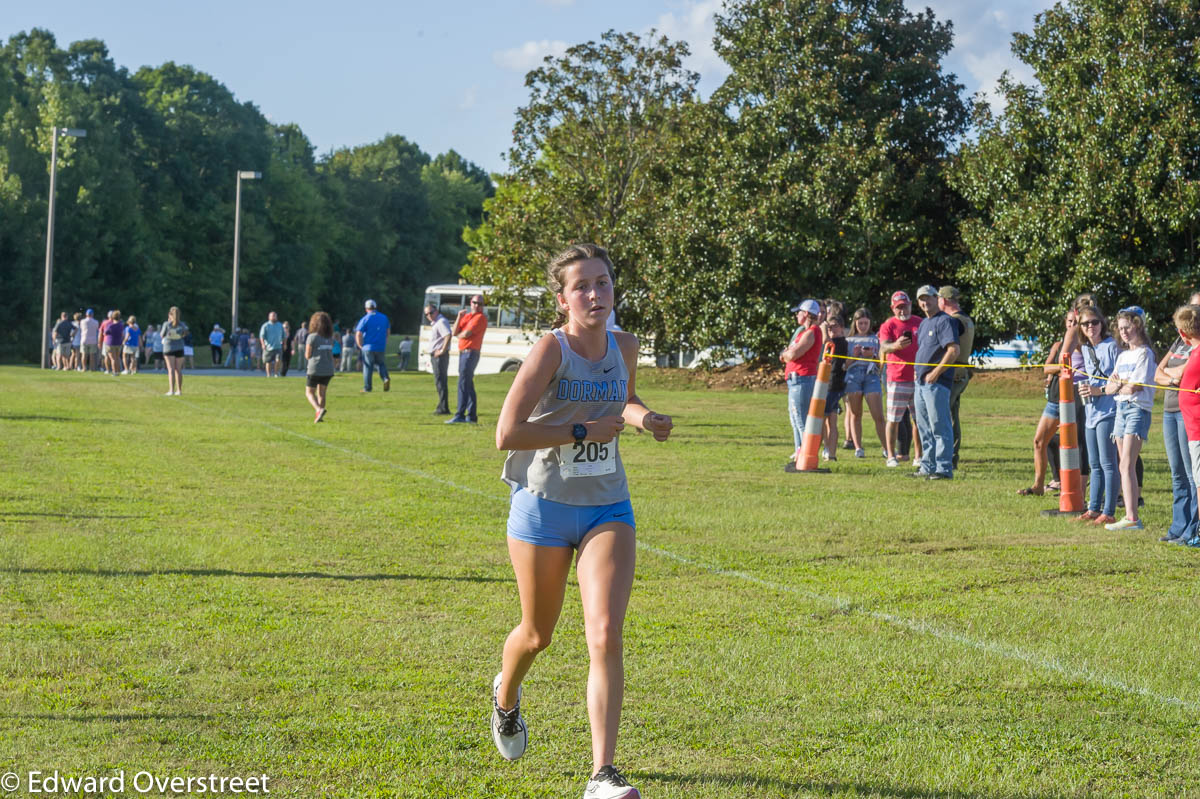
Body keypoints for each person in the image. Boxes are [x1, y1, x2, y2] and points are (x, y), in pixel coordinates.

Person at [492, 243, 673, 799]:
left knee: (605, 634)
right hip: (543, 508)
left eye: (604, 283)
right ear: (562, 297)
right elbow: (506, 434)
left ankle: (602, 773)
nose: (595, 295)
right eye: (582, 286)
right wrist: (579, 432)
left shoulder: (625, 344)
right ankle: (505, 697)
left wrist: (645, 418)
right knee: (537, 635)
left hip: (607, 506)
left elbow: (624, 399)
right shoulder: (550, 351)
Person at [1103, 307, 1155, 530]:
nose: (1123, 332)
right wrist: (1119, 385)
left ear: (1139, 326)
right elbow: (1108, 388)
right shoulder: (1123, 355)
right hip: (1121, 410)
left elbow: (1134, 387)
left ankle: (1132, 518)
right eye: (1120, 328)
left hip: (1137, 410)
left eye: (1128, 327)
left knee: (1126, 464)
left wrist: (1120, 385)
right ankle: (1130, 515)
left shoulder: (1145, 354)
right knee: (1124, 465)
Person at [1154, 293, 1200, 543]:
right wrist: (1172, 377)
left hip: (1189, 415)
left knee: (1194, 474)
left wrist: (1172, 375)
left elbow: (1184, 372)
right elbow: (1157, 373)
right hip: (1170, 410)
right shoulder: (1179, 341)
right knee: (1177, 473)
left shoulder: (1196, 345)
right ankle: (1178, 526)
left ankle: (1193, 529)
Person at [1019, 310, 1076, 496]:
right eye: (1069, 321)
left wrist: (1057, 369)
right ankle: (1038, 485)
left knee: (1074, 446)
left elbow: (1057, 368)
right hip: (1054, 399)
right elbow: (1046, 367)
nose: (1072, 325)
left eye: (1076, 321)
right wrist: (1061, 368)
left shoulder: (1083, 345)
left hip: (1073, 401)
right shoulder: (1058, 345)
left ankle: (1071, 487)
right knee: (1039, 441)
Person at [1074, 305, 1119, 525]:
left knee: (1108, 463)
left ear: (1102, 323)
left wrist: (1097, 390)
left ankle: (1109, 511)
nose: (1090, 327)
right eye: (1085, 324)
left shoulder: (1112, 346)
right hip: (1091, 410)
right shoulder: (1084, 349)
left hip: (1109, 409)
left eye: (1094, 322)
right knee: (1094, 464)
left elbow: (1119, 380)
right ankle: (1093, 508)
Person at [911, 285, 960, 480]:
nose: (925, 302)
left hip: (936, 383)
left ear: (936, 298)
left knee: (940, 426)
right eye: (921, 299)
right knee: (923, 426)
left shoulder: (945, 321)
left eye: (929, 298)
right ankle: (927, 466)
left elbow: (953, 350)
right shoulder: (924, 324)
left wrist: (936, 372)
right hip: (920, 383)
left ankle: (943, 468)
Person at [879, 291, 923, 468]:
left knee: (918, 419)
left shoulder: (920, 322)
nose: (902, 310)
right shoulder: (888, 325)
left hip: (918, 377)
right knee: (893, 419)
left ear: (910, 304)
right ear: (893, 308)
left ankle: (918, 456)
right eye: (898, 308)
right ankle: (891, 456)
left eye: (904, 306)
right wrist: (895, 346)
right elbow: (883, 345)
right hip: (896, 378)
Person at [1171, 303, 1200, 547]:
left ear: (1183, 333)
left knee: (1199, 482)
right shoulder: (1195, 353)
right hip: (1192, 428)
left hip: (1198, 429)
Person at [780, 299, 823, 462]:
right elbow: (789, 352)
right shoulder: (802, 332)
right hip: (795, 379)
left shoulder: (812, 332)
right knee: (794, 418)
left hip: (802, 379)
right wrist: (787, 353)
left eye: (798, 312)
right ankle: (800, 453)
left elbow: (792, 354)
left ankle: (807, 456)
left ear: (806, 314)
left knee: (801, 420)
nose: (796, 315)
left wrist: (786, 354)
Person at [938, 286, 974, 469]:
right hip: (962, 372)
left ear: (943, 301)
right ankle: (952, 457)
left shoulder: (953, 321)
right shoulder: (966, 320)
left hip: (952, 373)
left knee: (943, 415)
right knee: (952, 416)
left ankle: (947, 457)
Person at [843, 308, 886, 459]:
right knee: (855, 414)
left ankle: (886, 447)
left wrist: (872, 355)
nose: (863, 326)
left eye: (865, 323)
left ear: (870, 323)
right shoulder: (848, 341)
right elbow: (844, 366)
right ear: (855, 323)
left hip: (871, 376)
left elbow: (881, 364)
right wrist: (854, 356)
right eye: (860, 323)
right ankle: (858, 447)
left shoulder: (876, 339)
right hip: (853, 376)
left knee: (878, 415)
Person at [447, 294, 487, 423]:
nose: (477, 306)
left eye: (480, 304)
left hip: (471, 353)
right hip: (463, 352)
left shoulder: (480, 318)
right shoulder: (467, 317)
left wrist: (459, 334)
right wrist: (459, 317)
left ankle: (460, 414)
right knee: (467, 383)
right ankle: (471, 415)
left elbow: (466, 334)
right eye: (475, 303)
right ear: (471, 303)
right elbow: (454, 332)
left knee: (463, 383)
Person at [822, 315, 849, 460]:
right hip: (829, 384)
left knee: (822, 418)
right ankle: (830, 453)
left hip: (833, 385)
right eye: (829, 326)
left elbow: (827, 341)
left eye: (834, 326)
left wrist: (824, 330)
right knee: (830, 420)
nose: (831, 329)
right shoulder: (835, 341)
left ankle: (828, 450)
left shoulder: (839, 342)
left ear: (841, 328)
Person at [304, 311, 336, 423]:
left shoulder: (312, 337)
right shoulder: (330, 338)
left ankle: (318, 409)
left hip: (315, 368)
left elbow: (308, 355)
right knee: (322, 393)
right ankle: (319, 416)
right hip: (328, 369)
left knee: (309, 392)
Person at [355, 299, 391, 393]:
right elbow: (387, 332)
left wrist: (360, 345)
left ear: (366, 308)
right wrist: (384, 341)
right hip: (380, 346)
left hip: (368, 347)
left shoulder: (365, 318)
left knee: (368, 367)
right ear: (375, 307)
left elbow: (359, 333)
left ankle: (367, 387)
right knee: (381, 364)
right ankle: (385, 378)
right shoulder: (384, 317)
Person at [426, 303, 452, 415]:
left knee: (441, 381)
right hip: (436, 355)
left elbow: (448, 335)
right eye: (426, 314)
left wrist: (442, 350)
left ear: (436, 311)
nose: (429, 315)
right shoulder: (437, 322)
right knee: (439, 381)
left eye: (431, 313)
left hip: (440, 356)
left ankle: (443, 408)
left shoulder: (441, 322)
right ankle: (442, 405)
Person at [160, 306, 188, 396]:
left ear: (170, 314)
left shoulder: (167, 324)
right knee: (178, 370)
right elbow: (185, 333)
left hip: (169, 348)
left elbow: (162, 335)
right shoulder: (182, 324)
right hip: (179, 348)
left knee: (171, 369)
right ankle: (179, 391)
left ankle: (171, 390)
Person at [260, 312, 284, 377]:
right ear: (269, 317)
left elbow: (284, 336)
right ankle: (268, 375)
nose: (274, 317)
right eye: (272, 316)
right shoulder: (265, 325)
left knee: (278, 360)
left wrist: (285, 344)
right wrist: (263, 344)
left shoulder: (280, 325)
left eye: (275, 316)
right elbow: (262, 336)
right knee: (268, 361)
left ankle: (276, 373)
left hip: (278, 346)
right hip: (268, 347)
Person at [101, 311, 125, 375]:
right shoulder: (121, 325)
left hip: (110, 343)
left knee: (112, 359)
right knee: (117, 358)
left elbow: (105, 333)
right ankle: (118, 371)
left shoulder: (110, 326)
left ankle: (114, 372)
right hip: (118, 343)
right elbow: (122, 335)